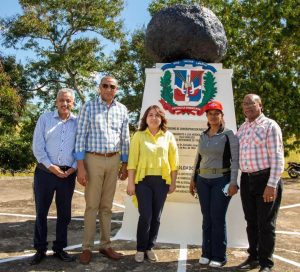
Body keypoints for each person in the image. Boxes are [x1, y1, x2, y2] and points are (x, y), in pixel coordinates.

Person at [75, 76, 130, 265]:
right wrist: (80, 166)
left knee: (107, 206)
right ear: (100, 88)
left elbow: (125, 138)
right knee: (92, 205)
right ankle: (86, 247)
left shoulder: (122, 109)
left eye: (112, 86)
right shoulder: (88, 107)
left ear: (117, 89)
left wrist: (124, 164)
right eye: (105, 85)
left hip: (114, 160)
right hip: (92, 160)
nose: (108, 89)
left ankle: (105, 245)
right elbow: (80, 136)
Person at [236, 94, 284, 272]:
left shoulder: (270, 126)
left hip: (265, 179)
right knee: (251, 221)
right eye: (244, 103)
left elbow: (278, 158)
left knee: (266, 223)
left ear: (260, 105)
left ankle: (266, 263)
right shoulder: (243, 127)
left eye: (251, 103)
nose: (247, 106)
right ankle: (253, 257)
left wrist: (272, 184)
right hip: (247, 179)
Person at [189, 100, 239, 268]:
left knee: (217, 218)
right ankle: (206, 253)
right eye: (210, 113)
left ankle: (219, 255)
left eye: (216, 113)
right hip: (203, 181)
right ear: (207, 116)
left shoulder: (229, 134)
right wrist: (193, 179)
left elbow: (235, 161)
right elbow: (198, 158)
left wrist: (233, 183)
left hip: (221, 182)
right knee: (207, 218)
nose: (213, 116)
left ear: (221, 115)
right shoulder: (203, 135)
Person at [30, 88, 77, 265]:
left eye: (68, 101)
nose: (65, 104)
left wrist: (73, 168)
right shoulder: (45, 119)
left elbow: (80, 149)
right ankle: (40, 249)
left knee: (64, 214)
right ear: (56, 102)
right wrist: (52, 168)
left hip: (68, 174)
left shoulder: (77, 122)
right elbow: (38, 147)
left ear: (73, 103)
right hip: (45, 173)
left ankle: (60, 248)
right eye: (62, 100)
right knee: (41, 212)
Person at [127, 105, 179, 263]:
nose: (154, 118)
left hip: (162, 182)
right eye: (150, 115)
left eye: (157, 115)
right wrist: (130, 183)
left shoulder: (168, 136)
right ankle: (140, 249)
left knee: (156, 217)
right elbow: (132, 162)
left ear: (162, 118)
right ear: (146, 118)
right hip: (143, 182)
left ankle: (150, 248)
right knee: (146, 216)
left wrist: (173, 182)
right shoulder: (138, 136)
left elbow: (174, 161)